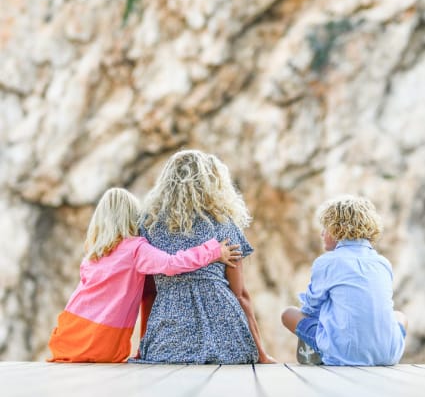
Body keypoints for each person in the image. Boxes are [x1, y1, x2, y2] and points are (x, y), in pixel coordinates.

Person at [47, 187, 241, 363]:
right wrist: (213, 251)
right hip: (100, 343)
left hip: (67, 336)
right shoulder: (135, 249)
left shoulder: (92, 255)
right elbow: (171, 264)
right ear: (133, 217)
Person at [131, 150, 276, 365]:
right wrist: (262, 354)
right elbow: (241, 295)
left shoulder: (148, 226)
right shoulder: (225, 225)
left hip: (168, 343)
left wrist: (145, 345)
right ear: (213, 183)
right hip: (228, 343)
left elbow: (149, 294)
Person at [281, 195, 407, 366]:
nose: (322, 233)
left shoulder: (327, 262)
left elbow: (311, 308)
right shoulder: (383, 263)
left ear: (336, 230)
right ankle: (378, 350)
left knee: (289, 314)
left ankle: (320, 353)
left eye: (325, 228)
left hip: (343, 354)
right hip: (388, 355)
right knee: (400, 316)